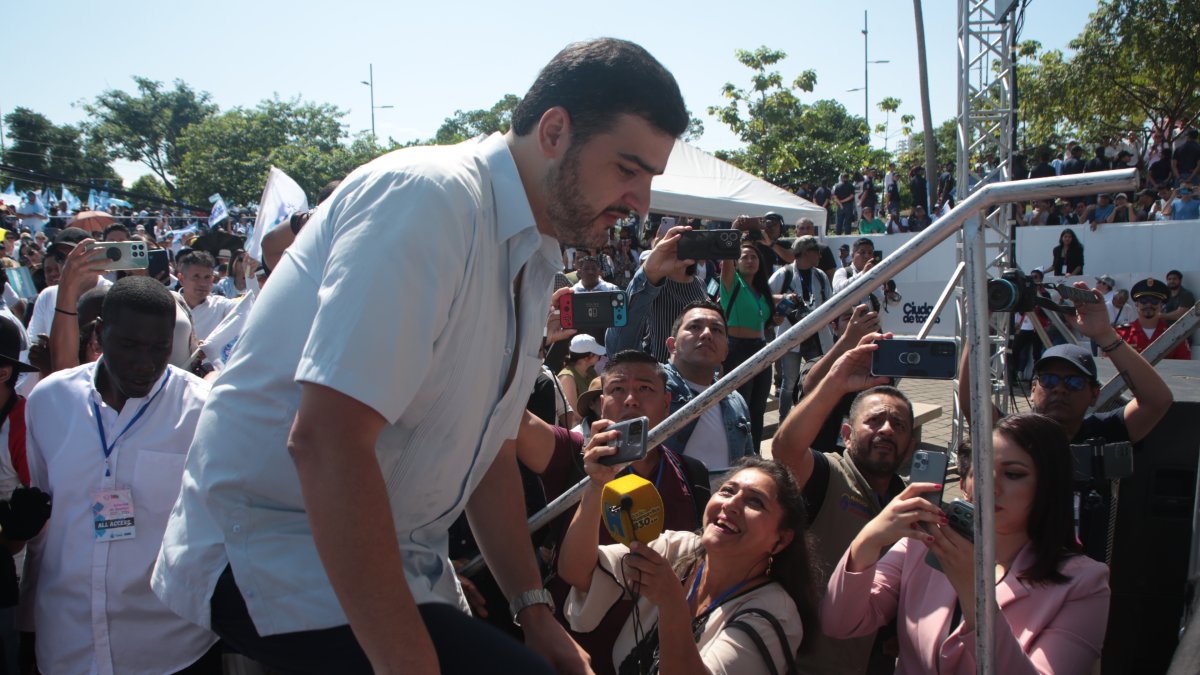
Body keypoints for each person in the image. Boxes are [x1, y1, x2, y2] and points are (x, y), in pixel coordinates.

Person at [152, 38, 689, 674]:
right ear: (554, 131)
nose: (641, 203)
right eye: (628, 169)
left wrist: (534, 611)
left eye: (650, 178)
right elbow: (326, 441)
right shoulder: (427, 199)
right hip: (272, 550)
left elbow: (486, 446)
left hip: (394, 557)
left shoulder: (536, 254)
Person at [20, 277, 220, 673]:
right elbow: (48, 512)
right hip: (68, 644)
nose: (144, 363)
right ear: (98, 334)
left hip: (169, 648)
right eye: (129, 346)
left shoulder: (202, 412)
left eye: (159, 348)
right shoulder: (49, 402)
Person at [820, 413, 1111, 674]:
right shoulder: (922, 542)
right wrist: (867, 540)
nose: (991, 487)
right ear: (964, 484)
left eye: (1013, 474)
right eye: (979, 472)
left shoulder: (1085, 583)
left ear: (1048, 486)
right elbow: (840, 622)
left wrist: (975, 595)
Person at [558, 452, 819, 675]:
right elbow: (577, 571)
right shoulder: (681, 549)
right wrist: (596, 485)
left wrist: (672, 605)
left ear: (780, 540)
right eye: (727, 490)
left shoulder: (773, 614)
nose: (731, 504)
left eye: (755, 501)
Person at [771, 336, 915, 675]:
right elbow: (786, 447)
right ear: (846, 435)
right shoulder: (826, 473)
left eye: (899, 425)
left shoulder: (907, 503)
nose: (886, 429)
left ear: (909, 448)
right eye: (875, 420)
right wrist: (836, 382)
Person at [606, 225, 708, 364]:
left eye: (685, 243)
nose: (677, 248)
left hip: (694, 366)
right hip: (660, 365)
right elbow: (627, 321)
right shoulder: (654, 283)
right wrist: (653, 264)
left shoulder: (699, 283)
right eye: (672, 243)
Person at [768, 236, 833, 421]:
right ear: (805, 252)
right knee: (789, 383)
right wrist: (783, 301)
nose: (820, 255)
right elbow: (765, 295)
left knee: (820, 379)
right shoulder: (784, 274)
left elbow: (830, 301)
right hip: (791, 335)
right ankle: (784, 422)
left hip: (817, 335)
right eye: (816, 251)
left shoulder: (820, 276)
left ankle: (815, 421)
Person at [719, 238, 776, 449]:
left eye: (754, 257)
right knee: (740, 407)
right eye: (744, 257)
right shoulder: (732, 282)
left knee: (757, 409)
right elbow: (726, 257)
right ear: (736, 261)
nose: (750, 260)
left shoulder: (762, 292)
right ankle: (739, 453)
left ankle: (755, 453)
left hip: (761, 349)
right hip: (737, 349)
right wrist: (736, 229)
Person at [1115, 278, 1192, 359]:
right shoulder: (1121, 334)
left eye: (1154, 301)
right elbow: (1109, 365)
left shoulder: (1175, 335)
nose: (1148, 304)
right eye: (1143, 300)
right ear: (1136, 304)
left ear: (1161, 305)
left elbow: (1184, 366)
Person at [175, 250, 236, 341]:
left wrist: (250, 278)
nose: (203, 283)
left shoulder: (221, 306)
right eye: (196, 276)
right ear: (181, 279)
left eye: (207, 277)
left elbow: (251, 309)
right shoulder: (169, 306)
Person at [559, 334, 605, 428]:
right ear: (587, 357)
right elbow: (572, 415)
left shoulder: (591, 371)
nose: (600, 357)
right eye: (598, 355)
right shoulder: (567, 377)